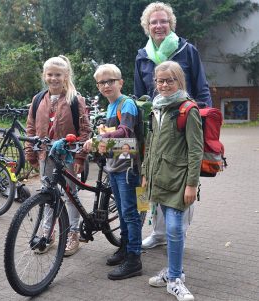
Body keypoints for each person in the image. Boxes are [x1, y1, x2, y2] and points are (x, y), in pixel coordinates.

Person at [134, 1, 212, 250]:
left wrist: (200, 120)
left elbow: (201, 88)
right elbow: (139, 96)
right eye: (153, 22)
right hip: (155, 126)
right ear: (147, 26)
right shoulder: (142, 56)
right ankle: (158, 234)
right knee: (154, 177)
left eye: (163, 21)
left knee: (181, 178)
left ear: (171, 24)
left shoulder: (186, 50)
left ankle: (178, 233)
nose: (158, 25)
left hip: (181, 123)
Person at [142, 60, 203, 301]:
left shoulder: (187, 109)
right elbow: (151, 146)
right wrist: (146, 173)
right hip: (159, 178)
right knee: (168, 228)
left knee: (175, 228)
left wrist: (192, 184)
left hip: (178, 180)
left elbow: (195, 151)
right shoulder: (157, 108)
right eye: (160, 80)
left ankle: (175, 279)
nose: (164, 84)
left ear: (179, 81)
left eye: (170, 80)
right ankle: (172, 273)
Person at [25, 55, 91, 256]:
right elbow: (30, 129)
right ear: (45, 76)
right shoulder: (37, 100)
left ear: (66, 76)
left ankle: (73, 232)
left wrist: (80, 158)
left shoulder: (75, 100)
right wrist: (31, 154)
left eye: (58, 75)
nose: (54, 78)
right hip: (46, 155)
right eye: (50, 74)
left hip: (68, 156)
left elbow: (85, 130)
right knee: (47, 195)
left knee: (70, 195)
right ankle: (48, 232)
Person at [84, 64, 142, 280]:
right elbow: (117, 140)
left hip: (128, 168)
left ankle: (134, 259)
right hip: (116, 166)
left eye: (111, 81)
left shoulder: (126, 104)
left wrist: (100, 140)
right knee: (122, 210)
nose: (107, 85)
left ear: (121, 82)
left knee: (129, 213)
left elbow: (126, 133)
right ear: (98, 86)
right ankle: (125, 248)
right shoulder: (110, 106)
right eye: (102, 82)